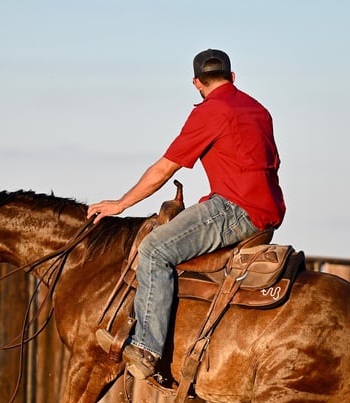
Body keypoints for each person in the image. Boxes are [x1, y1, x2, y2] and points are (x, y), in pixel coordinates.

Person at [87, 48, 285, 385]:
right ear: (233, 76)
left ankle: (147, 349)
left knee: (154, 249)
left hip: (235, 208)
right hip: (268, 207)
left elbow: (165, 169)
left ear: (196, 83)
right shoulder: (258, 110)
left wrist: (120, 205)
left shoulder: (211, 111)